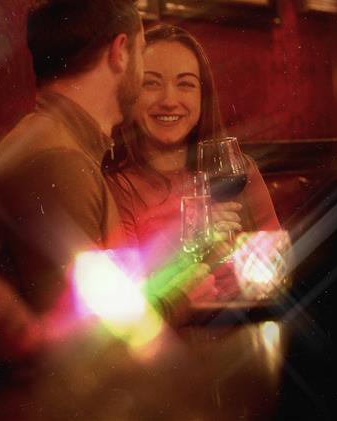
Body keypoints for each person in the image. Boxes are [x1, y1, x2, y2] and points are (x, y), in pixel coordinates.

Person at [0, 0, 213, 325]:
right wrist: (181, 297)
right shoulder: (58, 162)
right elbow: (91, 333)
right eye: (140, 52)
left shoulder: (54, 140)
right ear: (119, 52)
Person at [105, 24, 280, 270]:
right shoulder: (115, 186)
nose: (168, 101)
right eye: (151, 83)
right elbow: (124, 283)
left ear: (202, 95)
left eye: (185, 84)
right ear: (130, 92)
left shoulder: (239, 170)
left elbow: (276, 265)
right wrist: (189, 241)